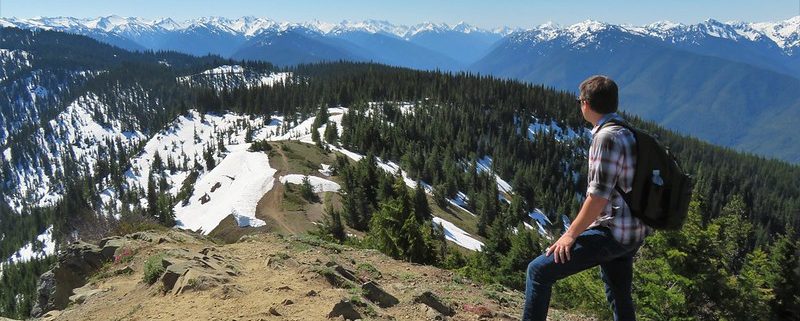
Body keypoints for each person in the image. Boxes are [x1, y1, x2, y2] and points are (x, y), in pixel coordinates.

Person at [521, 75, 651, 321]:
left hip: (613, 232)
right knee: (619, 293)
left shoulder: (606, 137)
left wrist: (571, 234)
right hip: (634, 229)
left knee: (538, 271)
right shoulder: (627, 131)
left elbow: (598, 195)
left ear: (586, 104)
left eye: (579, 100)